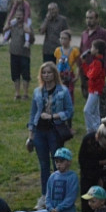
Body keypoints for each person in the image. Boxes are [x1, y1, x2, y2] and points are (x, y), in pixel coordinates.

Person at [27, 62, 74, 194]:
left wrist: (53, 116)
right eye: (44, 73)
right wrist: (31, 135)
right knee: (44, 165)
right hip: (39, 131)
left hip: (55, 130)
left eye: (49, 72)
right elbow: (33, 113)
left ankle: (58, 193)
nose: (46, 75)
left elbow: (69, 111)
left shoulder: (63, 91)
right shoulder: (37, 92)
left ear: (54, 74)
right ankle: (45, 194)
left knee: (57, 163)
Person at [80, 9, 106, 113]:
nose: (89, 20)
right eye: (87, 18)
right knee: (88, 98)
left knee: (101, 101)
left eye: (91, 18)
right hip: (86, 70)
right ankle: (93, 123)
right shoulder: (84, 34)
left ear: (97, 19)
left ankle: (104, 124)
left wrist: (104, 69)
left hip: (98, 71)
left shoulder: (103, 33)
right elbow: (82, 50)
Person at [45, 147, 78, 212]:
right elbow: (48, 195)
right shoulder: (52, 177)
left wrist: (59, 208)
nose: (58, 164)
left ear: (69, 162)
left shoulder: (72, 177)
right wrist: (50, 208)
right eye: (56, 162)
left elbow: (71, 197)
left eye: (61, 161)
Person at [7, 6, 33, 101]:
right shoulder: (13, 25)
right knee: (15, 74)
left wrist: (30, 33)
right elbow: (6, 35)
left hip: (24, 54)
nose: (19, 16)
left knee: (25, 74)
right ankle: (17, 93)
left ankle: (25, 94)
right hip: (13, 53)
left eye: (21, 15)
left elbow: (32, 40)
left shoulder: (27, 26)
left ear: (24, 16)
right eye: (17, 14)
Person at [82, 39, 106, 134]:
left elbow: (92, 75)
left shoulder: (98, 62)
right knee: (95, 112)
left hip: (95, 90)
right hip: (92, 89)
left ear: (97, 50)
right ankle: (98, 128)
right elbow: (88, 71)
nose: (90, 49)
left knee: (87, 110)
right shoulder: (95, 61)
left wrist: (88, 73)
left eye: (92, 47)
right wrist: (84, 63)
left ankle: (91, 129)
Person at [53, 30, 80, 100]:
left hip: (69, 74)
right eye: (61, 38)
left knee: (69, 92)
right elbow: (57, 64)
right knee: (59, 92)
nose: (63, 40)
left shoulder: (74, 51)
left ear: (69, 40)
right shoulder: (57, 50)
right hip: (59, 74)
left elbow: (78, 65)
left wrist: (77, 76)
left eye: (65, 38)